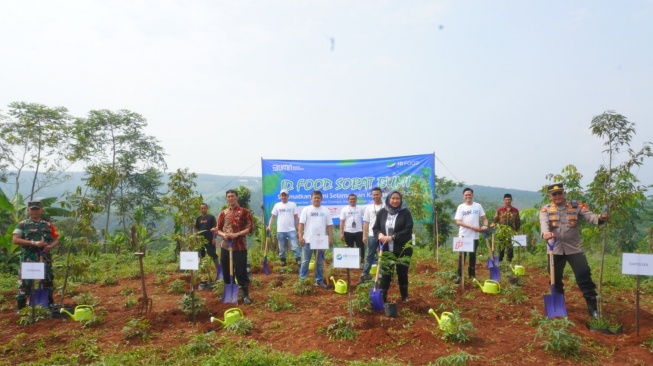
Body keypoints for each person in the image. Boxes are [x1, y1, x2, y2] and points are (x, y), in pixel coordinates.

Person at [539, 183, 609, 319]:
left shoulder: (576, 207)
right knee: (555, 279)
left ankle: (593, 309)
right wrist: (546, 234)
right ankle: (559, 308)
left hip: (575, 248)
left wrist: (601, 218)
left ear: (564, 194)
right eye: (554, 194)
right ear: (550, 197)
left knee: (584, 278)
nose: (557, 196)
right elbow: (544, 225)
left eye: (560, 193)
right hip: (555, 249)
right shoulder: (545, 210)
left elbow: (592, 217)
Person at [12, 201, 60, 311]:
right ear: (28, 211)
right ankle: (21, 308)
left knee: (47, 280)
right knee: (26, 282)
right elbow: (15, 240)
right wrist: (33, 243)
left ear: (41, 210)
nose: (35, 211)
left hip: (45, 258)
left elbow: (56, 240)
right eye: (32, 209)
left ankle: (48, 303)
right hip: (29, 258)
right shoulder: (22, 224)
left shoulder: (48, 225)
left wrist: (50, 247)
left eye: (37, 209)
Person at [373, 190, 414, 302]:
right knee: (386, 274)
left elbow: (408, 230)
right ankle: (382, 298)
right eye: (393, 198)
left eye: (397, 198)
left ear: (400, 200)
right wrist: (380, 234)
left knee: (402, 273)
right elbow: (375, 228)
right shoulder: (382, 213)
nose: (395, 201)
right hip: (386, 250)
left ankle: (404, 296)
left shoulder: (405, 213)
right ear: (388, 199)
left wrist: (392, 237)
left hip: (402, 251)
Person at [214, 190, 254, 304]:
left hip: (240, 246)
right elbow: (218, 229)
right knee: (226, 271)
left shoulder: (244, 212)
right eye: (228, 197)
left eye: (232, 196)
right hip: (226, 247)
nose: (230, 198)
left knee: (241, 271)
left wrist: (237, 234)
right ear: (226, 199)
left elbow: (250, 227)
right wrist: (224, 235)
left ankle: (245, 295)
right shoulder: (223, 213)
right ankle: (229, 294)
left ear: (237, 198)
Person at [297, 190, 333, 288]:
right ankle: (302, 280)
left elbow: (329, 226)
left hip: (321, 241)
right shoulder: (306, 210)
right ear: (311, 199)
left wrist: (330, 238)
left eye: (318, 197)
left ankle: (319, 280)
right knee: (305, 261)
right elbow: (301, 224)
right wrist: (300, 236)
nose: (316, 199)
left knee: (320, 262)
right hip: (307, 240)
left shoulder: (325, 210)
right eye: (314, 197)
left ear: (321, 199)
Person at [454, 187, 488, 284]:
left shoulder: (478, 206)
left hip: (474, 236)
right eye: (466, 195)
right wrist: (472, 227)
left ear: (472, 195)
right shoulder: (461, 207)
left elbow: (484, 219)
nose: (468, 196)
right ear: (463, 196)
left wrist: (485, 225)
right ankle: (459, 276)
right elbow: (458, 222)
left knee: (472, 256)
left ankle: (472, 276)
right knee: (462, 256)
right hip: (463, 236)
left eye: (469, 194)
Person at [267, 189, 301, 266]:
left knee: (295, 246)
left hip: (291, 230)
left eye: (285, 195)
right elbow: (272, 217)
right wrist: (269, 226)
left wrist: (298, 230)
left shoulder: (293, 204)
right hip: (280, 230)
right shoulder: (277, 205)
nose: (284, 197)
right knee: (282, 248)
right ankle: (283, 263)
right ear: (280, 196)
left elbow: (296, 218)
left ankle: (298, 262)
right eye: (282, 195)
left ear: (288, 196)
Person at [358, 187, 384, 284]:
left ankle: (381, 275)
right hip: (372, 235)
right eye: (374, 195)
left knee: (381, 256)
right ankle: (365, 274)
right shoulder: (369, 208)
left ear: (381, 195)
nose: (375, 196)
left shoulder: (386, 207)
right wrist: (364, 235)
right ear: (372, 196)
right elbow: (366, 223)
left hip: (383, 236)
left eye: (377, 194)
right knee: (369, 255)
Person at [491, 193, 521, 262]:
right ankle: (500, 262)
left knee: (510, 248)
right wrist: (493, 223)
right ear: (503, 200)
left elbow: (518, 221)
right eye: (506, 200)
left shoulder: (515, 210)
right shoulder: (500, 210)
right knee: (501, 248)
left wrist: (517, 230)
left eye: (509, 199)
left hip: (511, 232)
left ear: (511, 200)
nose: (507, 201)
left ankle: (509, 263)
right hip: (502, 232)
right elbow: (495, 219)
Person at [339, 193, 364, 268]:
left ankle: (362, 262)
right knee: (350, 248)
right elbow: (342, 222)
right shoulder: (344, 209)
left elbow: (365, 219)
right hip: (348, 232)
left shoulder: (360, 208)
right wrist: (341, 233)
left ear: (356, 200)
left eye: (354, 199)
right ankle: (351, 264)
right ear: (348, 200)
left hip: (359, 231)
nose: (352, 200)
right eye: (350, 199)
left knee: (361, 247)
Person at [194, 203, 219, 276]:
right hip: (201, 240)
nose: (203, 210)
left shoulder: (211, 217)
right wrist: (196, 237)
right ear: (200, 209)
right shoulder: (198, 219)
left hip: (210, 239)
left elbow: (215, 228)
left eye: (204, 208)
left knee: (212, 253)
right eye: (202, 208)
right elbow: (196, 229)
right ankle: (203, 270)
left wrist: (214, 238)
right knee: (201, 254)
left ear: (207, 209)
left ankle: (218, 268)